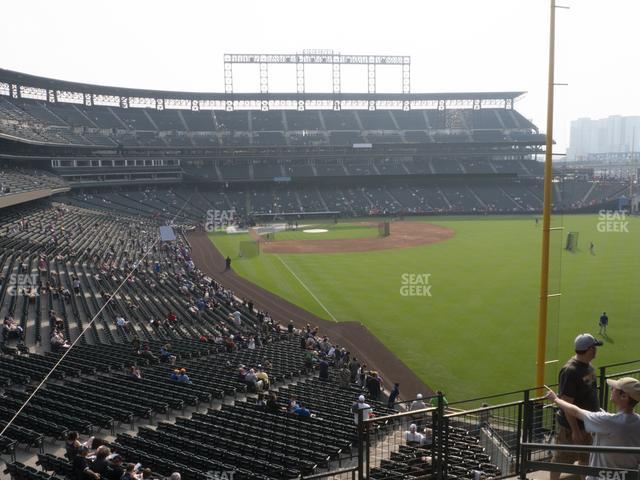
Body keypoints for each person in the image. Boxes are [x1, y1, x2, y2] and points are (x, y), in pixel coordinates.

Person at [545, 377, 640, 480]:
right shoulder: (636, 421)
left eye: (615, 388)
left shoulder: (608, 421)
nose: (611, 389)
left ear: (624, 396)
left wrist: (555, 399)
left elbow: (576, 412)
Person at [549, 333, 603, 480]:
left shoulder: (588, 366)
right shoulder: (570, 371)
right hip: (571, 428)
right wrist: (575, 431)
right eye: (595, 347)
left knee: (586, 459)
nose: (596, 350)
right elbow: (567, 404)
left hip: (587, 425)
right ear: (589, 349)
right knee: (562, 459)